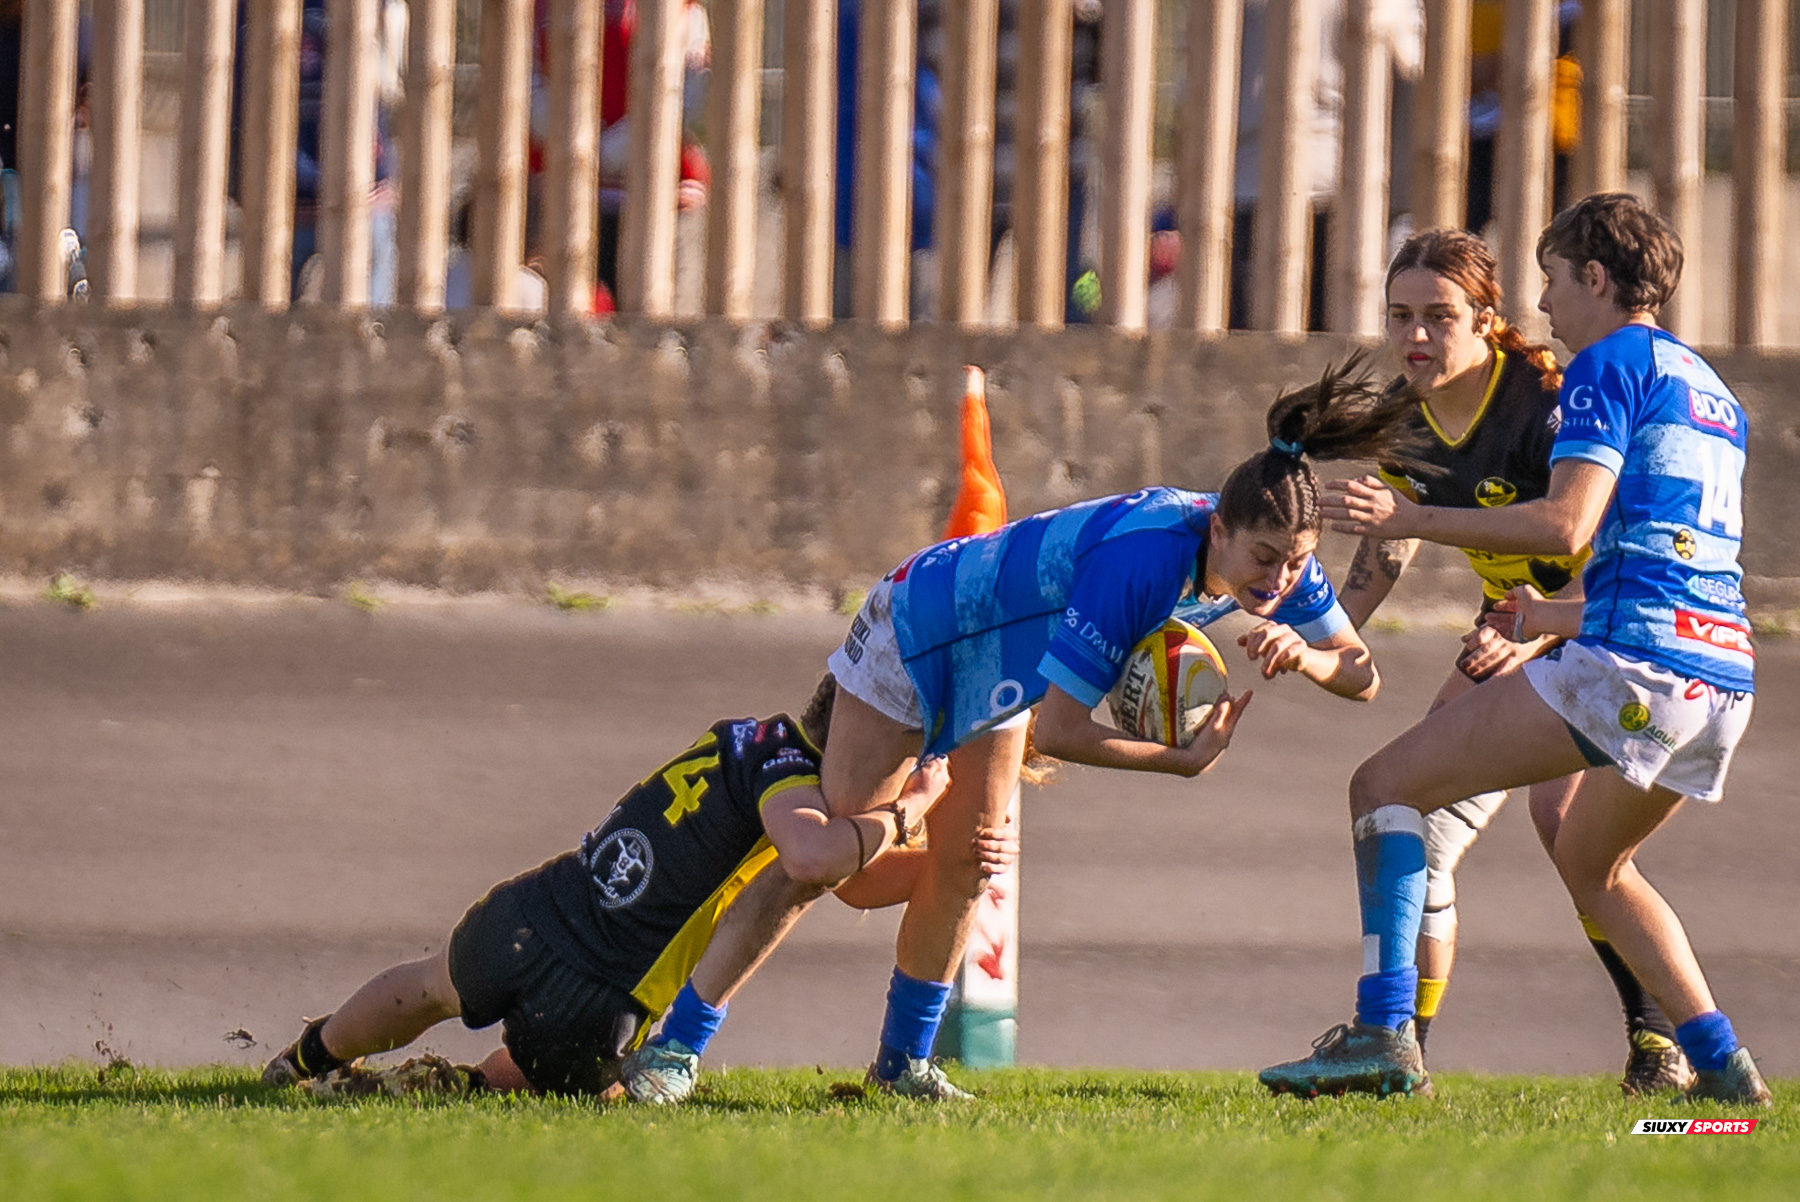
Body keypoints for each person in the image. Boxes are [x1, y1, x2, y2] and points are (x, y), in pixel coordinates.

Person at [626, 361, 1440, 1105]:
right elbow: (1059, 729)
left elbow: (1363, 674)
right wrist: (1178, 761)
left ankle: (902, 1067)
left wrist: (1309, 655)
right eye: (1266, 559)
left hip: (1008, 669)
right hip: (921, 637)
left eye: (1297, 563)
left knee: (972, 859)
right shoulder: (1145, 563)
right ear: (1218, 531)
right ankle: (673, 1051)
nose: (1281, 580)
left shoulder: (1281, 561)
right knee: (831, 866)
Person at [1260, 193, 1769, 1106]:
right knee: (1589, 862)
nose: (1547, 305)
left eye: (1553, 282)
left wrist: (1429, 529)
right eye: (1401, 316)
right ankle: (1725, 1082)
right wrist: (1311, 634)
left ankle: (1383, 1039)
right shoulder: (1709, 386)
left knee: (1384, 788)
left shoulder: (1596, 371)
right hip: (1717, 673)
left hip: (1623, 658)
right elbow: (1670, 552)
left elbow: (1569, 522)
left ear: (1596, 279)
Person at [262, 676, 1015, 1097]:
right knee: (585, 1084)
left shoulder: (745, 736)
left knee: (428, 985)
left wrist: (947, 871)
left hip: (526, 913)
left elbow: (852, 881)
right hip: (601, 994)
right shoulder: (794, 782)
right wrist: (911, 809)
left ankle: (303, 1060)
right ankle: (464, 1088)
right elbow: (816, 856)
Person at [1343, 227, 1687, 1094]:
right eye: (1400, 316)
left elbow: (1597, 543)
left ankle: (1666, 1045)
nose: (1416, 336)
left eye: (1439, 316)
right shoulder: (1403, 420)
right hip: (1512, 627)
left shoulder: (1546, 403)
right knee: (1411, 819)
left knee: (1566, 833)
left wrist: (1533, 629)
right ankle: (1402, 1050)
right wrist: (1324, 632)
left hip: (1598, 624)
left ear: (1488, 319)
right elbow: (1386, 550)